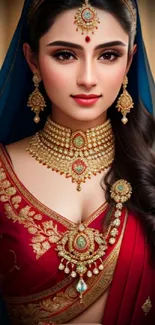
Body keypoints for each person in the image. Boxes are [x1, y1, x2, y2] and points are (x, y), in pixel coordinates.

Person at [0, 0, 155, 324]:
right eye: (65, 55)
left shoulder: (151, 160)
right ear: (32, 60)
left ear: (130, 60)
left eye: (108, 55)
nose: (87, 78)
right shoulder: (3, 171)